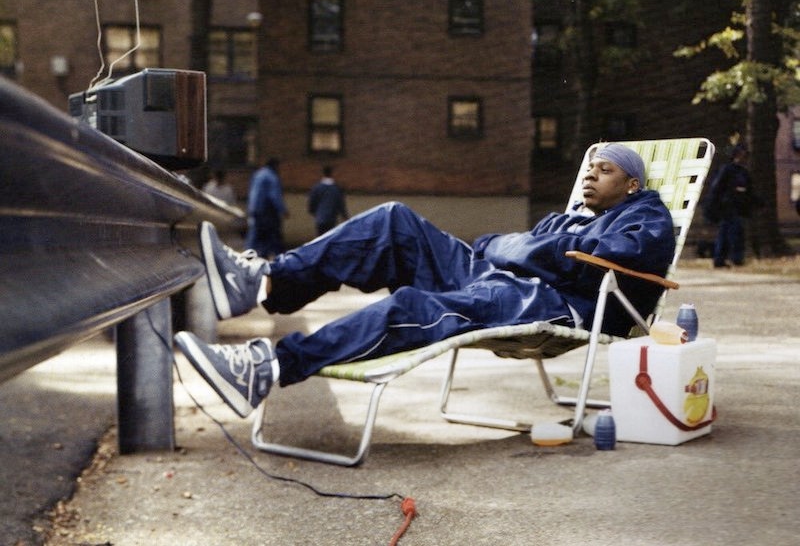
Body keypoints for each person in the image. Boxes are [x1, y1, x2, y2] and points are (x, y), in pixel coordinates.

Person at [175, 144, 675, 419]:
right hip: (505, 280)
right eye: (588, 168)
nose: (588, 176)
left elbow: (579, 261)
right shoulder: (567, 218)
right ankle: (263, 282)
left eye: (603, 170)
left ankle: (268, 369)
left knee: (416, 306)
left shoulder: (644, 216)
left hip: (547, 303)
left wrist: (511, 248)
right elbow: (504, 245)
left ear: (631, 183)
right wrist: (511, 248)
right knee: (393, 221)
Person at [704, 144, 758, 267]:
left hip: (737, 207)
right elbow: (717, 187)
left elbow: (749, 190)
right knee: (733, 232)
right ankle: (733, 258)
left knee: (728, 232)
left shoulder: (743, 172)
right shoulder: (727, 170)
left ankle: (722, 259)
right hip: (727, 206)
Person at [244, 157, 288, 259]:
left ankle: (251, 256)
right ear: (275, 166)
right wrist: (283, 210)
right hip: (267, 211)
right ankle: (279, 259)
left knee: (257, 235)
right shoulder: (272, 177)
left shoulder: (257, 175)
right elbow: (274, 195)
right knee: (274, 236)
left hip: (255, 210)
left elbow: (252, 192)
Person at [307, 165, 349, 235]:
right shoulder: (336, 189)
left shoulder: (317, 187)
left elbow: (312, 202)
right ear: (332, 174)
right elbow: (340, 204)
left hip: (320, 218)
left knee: (320, 238)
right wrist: (345, 216)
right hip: (332, 219)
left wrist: (313, 211)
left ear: (323, 173)